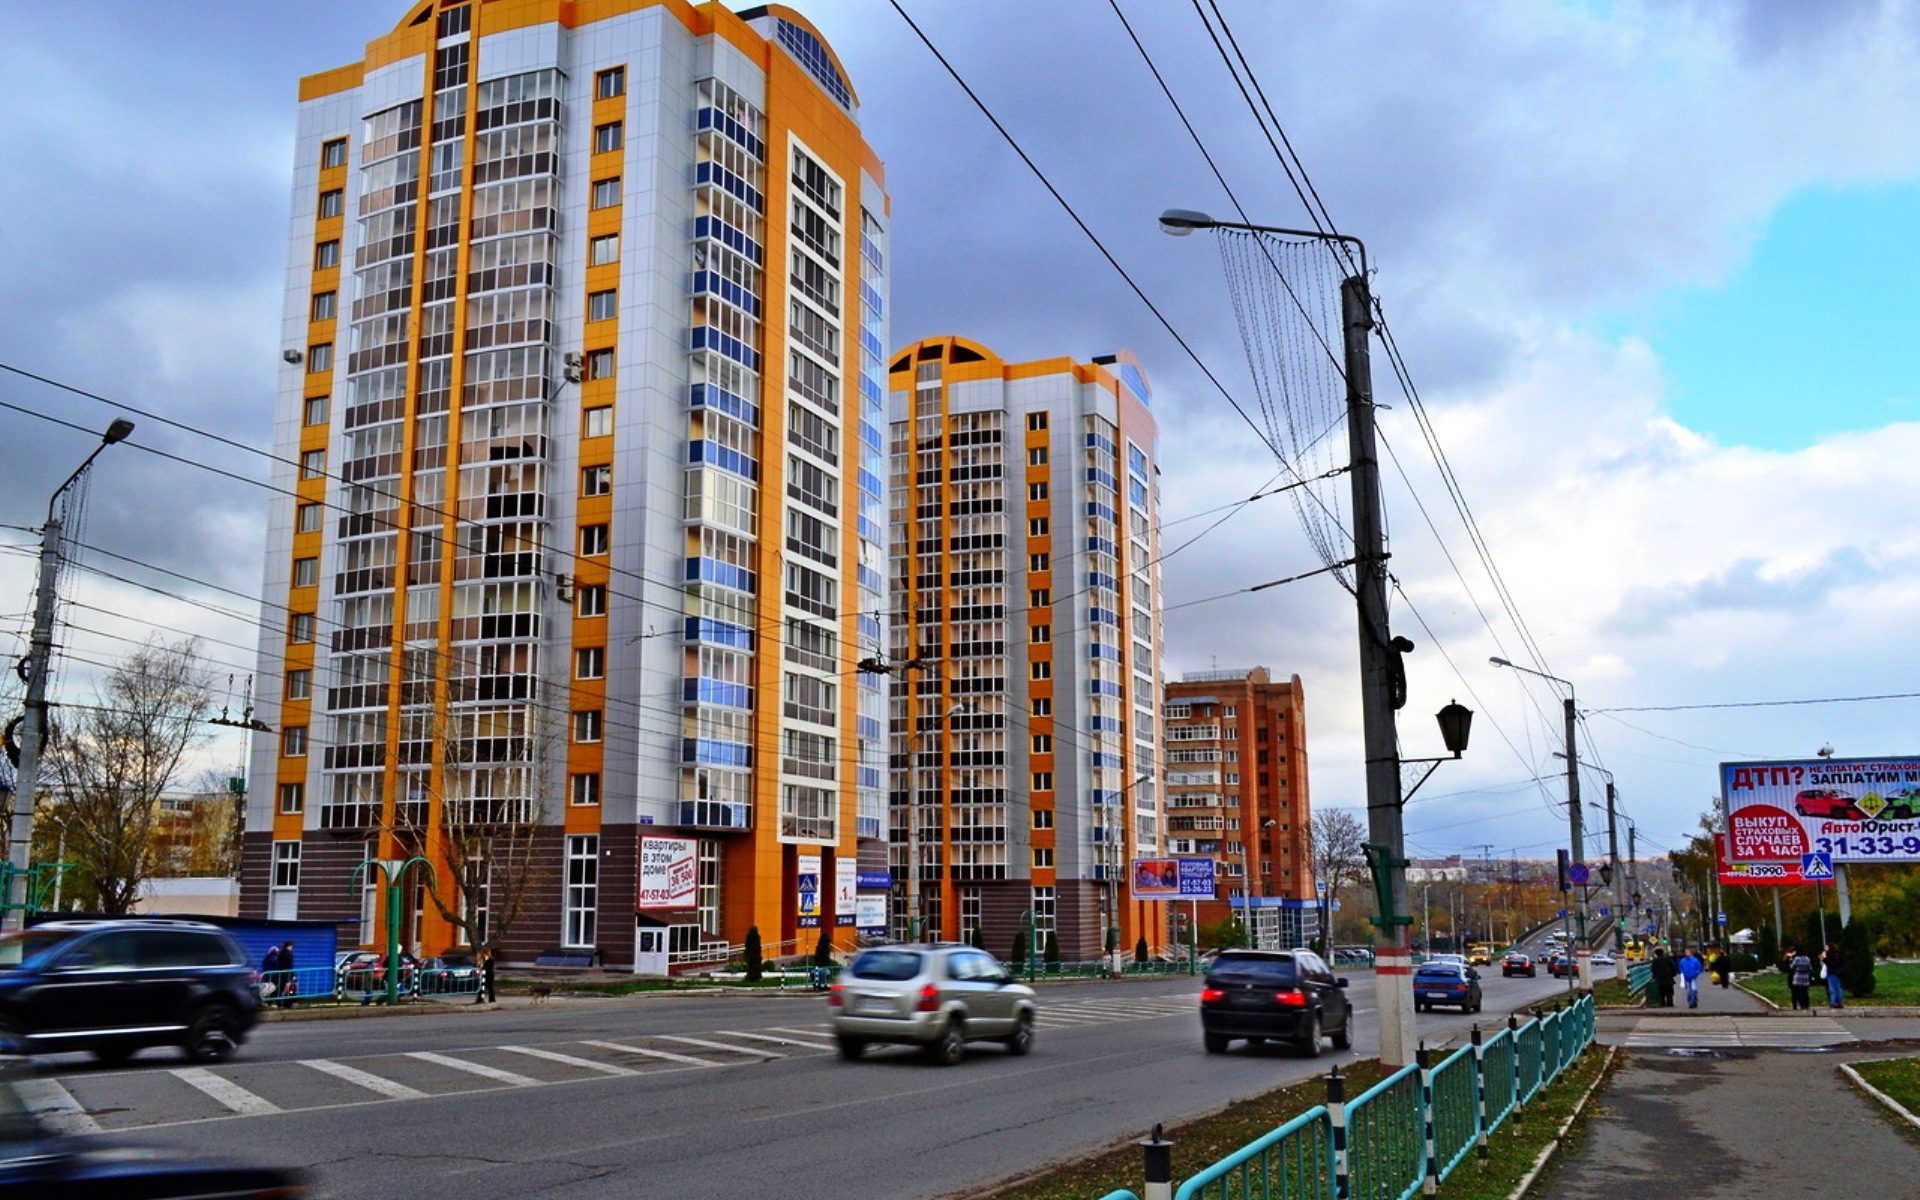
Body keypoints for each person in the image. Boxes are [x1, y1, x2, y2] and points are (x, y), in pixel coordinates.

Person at [1786, 945, 1815, 1011]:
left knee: (1798, 992)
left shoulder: (1797, 958)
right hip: (1805, 976)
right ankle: (1806, 1005)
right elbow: (1810, 968)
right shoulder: (1807, 958)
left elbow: (1792, 967)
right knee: (1805, 992)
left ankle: (1800, 1004)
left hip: (1798, 976)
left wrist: (1790, 959)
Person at [1822, 941, 1845, 1009]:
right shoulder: (1834, 954)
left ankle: (1833, 1002)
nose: (1826, 948)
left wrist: (1825, 959)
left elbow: (1833, 964)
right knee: (1837, 988)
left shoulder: (1835, 955)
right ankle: (1838, 1002)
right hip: (1833, 972)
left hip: (1833, 973)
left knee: (1833, 989)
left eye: (1827, 947)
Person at [278, 940, 297, 1006]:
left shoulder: (281, 953)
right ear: (289, 946)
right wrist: (293, 975)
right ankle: (288, 1002)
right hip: (288, 974)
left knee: (283, 987)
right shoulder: (288, 954)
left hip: (282, 973)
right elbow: (290, 965)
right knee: (291, 988)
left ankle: (280, 1002)